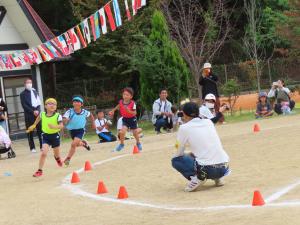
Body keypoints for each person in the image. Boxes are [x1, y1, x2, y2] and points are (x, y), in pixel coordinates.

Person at [172, 102, 230, 192]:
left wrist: (187, 154)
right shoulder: (208, 122)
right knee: (202, 154)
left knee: (176, 160)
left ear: (185, 114)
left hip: (207, 170)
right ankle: (218, 178)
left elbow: (178, 153)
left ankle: (197, 178)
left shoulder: (184, 128)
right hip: (223, 168)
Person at [27, 98, 64, 177]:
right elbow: (38, 118)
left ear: (56, 107)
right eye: (50, 103)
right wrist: (34, 125)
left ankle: (57, 159)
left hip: (55, 136)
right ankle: (39, 170)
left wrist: (54, 126)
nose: (52, 105)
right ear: (45, 106)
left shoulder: (58, 116)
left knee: (57, 155)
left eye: (54, 104)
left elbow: (61, 126)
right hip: (46, 136)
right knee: (43, 153)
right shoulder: (42, 114)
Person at [63, 95, 95, 166]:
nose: (76, 103)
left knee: (73, 144)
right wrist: (65, 120)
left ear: (82, 104)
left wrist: (93, 124)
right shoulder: (69, 112)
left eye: (78, 102)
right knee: (76, 144)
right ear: (72, 103)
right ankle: (84, 143)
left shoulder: (85, 112)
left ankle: (68, 159)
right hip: (72, 131)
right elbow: (64, 119)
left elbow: (91, 115)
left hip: (80, 130)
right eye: (74, 101)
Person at [109, 87, 142, 152]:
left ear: (131, 96)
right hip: (125, 119)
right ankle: (121, 144)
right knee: (121, 132)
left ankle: (138, 143)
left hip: (132, 119)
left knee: (135, 133)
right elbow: (119, 106)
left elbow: (135, 113)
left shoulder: (133, 103)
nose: (125, 96)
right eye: (124, 94)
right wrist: (113, 110)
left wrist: (129, 111)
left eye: (127, 95)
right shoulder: (121, 102)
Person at [20, 78, 42, 153]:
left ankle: (42, 146)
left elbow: (39, 103)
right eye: (28, 82)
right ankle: (32, 147)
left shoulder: (35, 92)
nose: (29, 84)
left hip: (37, 114)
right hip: (29, 115)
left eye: (30, 82)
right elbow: (24, 105)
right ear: (25, 84)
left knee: (40, 130)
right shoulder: (22, 94)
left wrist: (38, 111)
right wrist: (32, 111)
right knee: (30, 131)